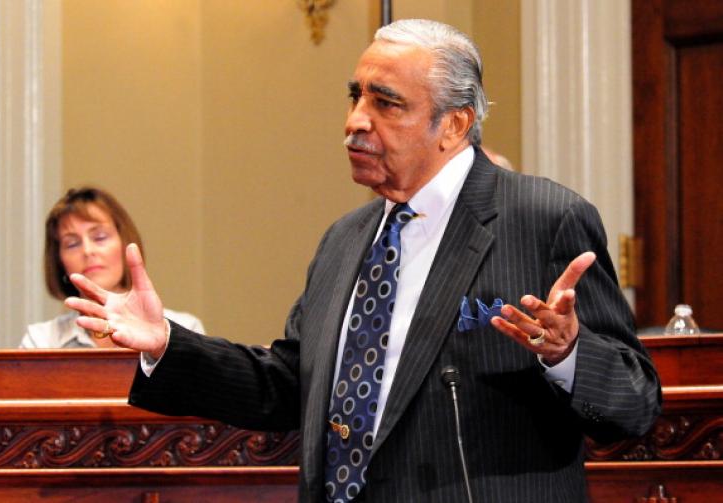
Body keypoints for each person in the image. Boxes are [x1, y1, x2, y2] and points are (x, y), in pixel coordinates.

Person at [65, 19, 660, 502]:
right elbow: (286, 386)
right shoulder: (345, 239)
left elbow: (634, 404)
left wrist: (569, 353)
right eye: (355, 96)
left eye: (386, 103)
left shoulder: (541, 217)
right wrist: (167, 343)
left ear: (453, 124)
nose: (354, 122)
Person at [21, 186, 204, 349]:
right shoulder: (41, 341)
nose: (87, 250)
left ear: (125, 243)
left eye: (99, 237)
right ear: (59, 263)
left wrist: (160, 347)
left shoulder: (183, 330)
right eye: (72, 244)